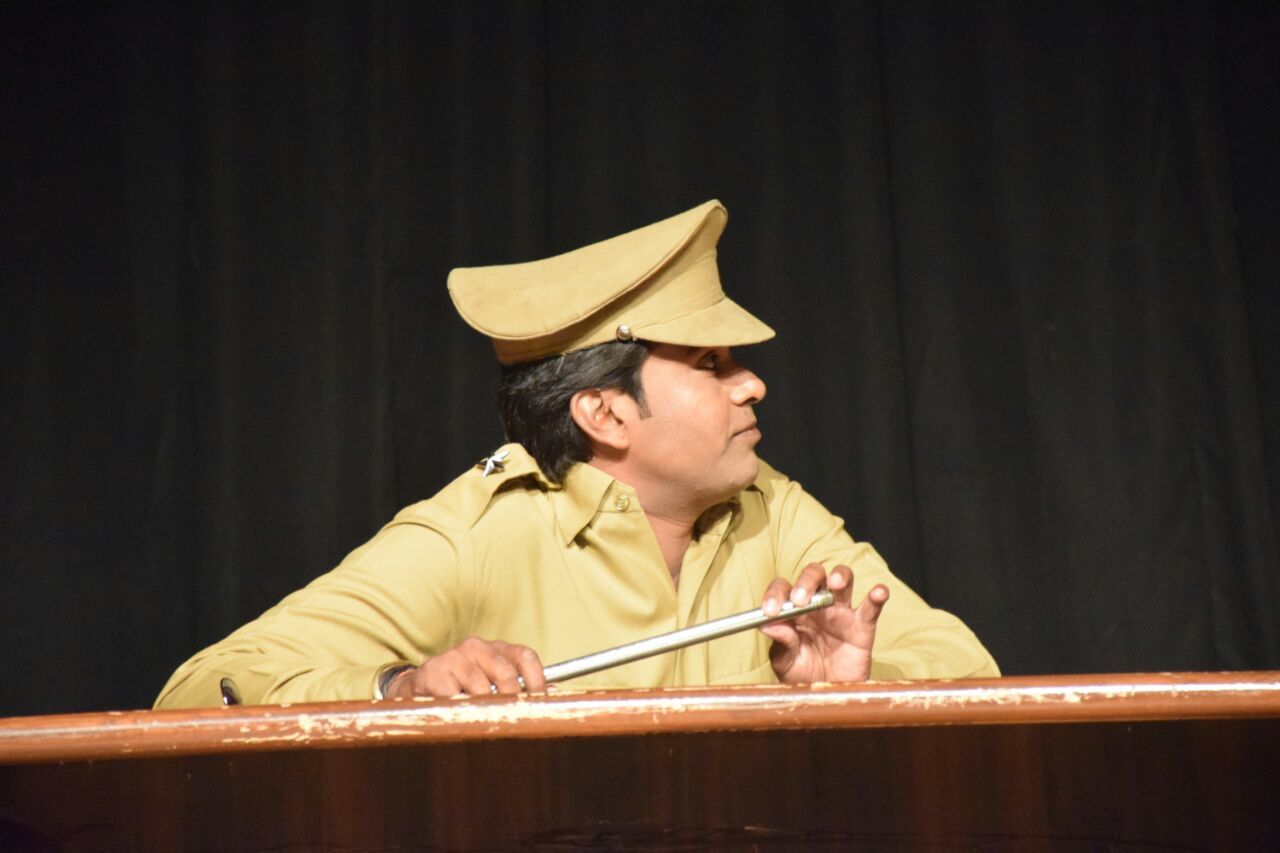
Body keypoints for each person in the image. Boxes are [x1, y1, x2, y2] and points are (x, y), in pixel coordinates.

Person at [155, 200, 997, 709]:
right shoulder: (478, 532)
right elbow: (205, 687)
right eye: (711, 364)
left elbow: (966, 666)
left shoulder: (771, 506)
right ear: (604, 412)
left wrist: (853, 685)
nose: (753, 385)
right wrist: (397, 688)